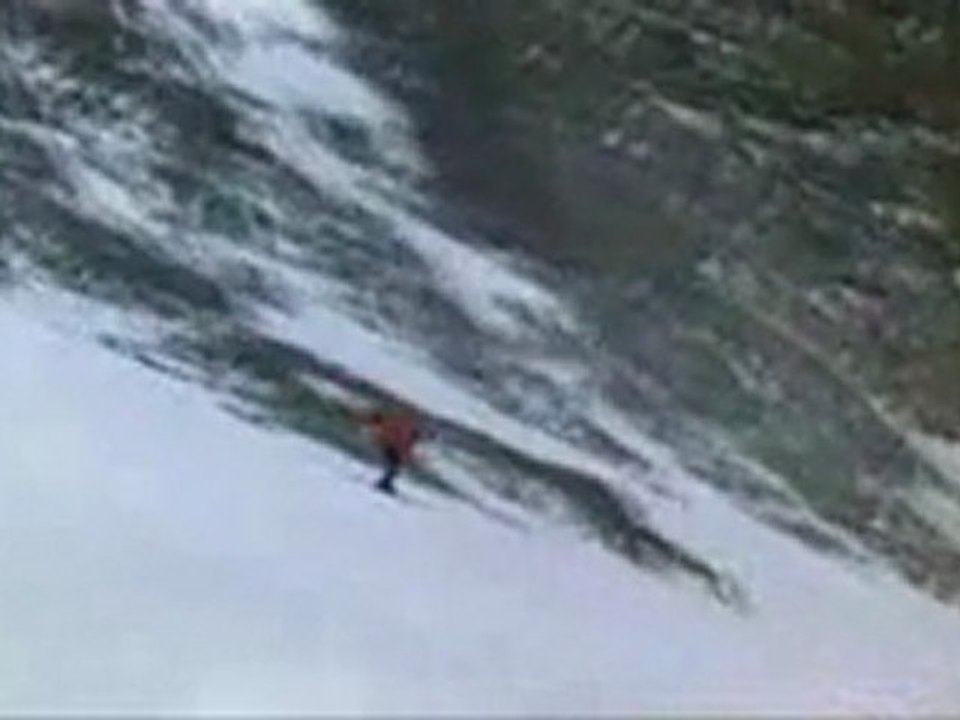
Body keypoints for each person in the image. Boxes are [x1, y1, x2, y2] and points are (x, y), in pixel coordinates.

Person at [352, 406, 423, 494]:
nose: (416, 440)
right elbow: (399, 446)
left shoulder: (409, 442)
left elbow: (405, 452)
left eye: (416, 438)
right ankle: (383, 483)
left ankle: (385, 483)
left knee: (395, 469)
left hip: (390, 448)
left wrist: (411, 460)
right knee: (394, 468)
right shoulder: (405, 438)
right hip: (389, 447)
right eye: (416, 437)